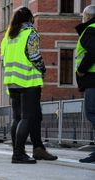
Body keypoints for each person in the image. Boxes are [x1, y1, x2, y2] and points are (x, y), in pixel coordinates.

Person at [1, 7, 57, 164]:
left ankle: (20, 151)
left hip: (12, 82)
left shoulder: (8, 36)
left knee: (17, 118)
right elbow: (33, 55)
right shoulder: (30, 33)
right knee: (27, 118)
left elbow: (2, 58)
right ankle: (18, 154)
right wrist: (43, 68)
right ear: (30, 19)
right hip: (28, 81)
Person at [75, 5, 95, 163]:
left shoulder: (91, 29)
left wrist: (81, 69)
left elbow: (92, 52)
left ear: (88, 16)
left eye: (83, 16)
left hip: (92, 79)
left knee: (92, 113)